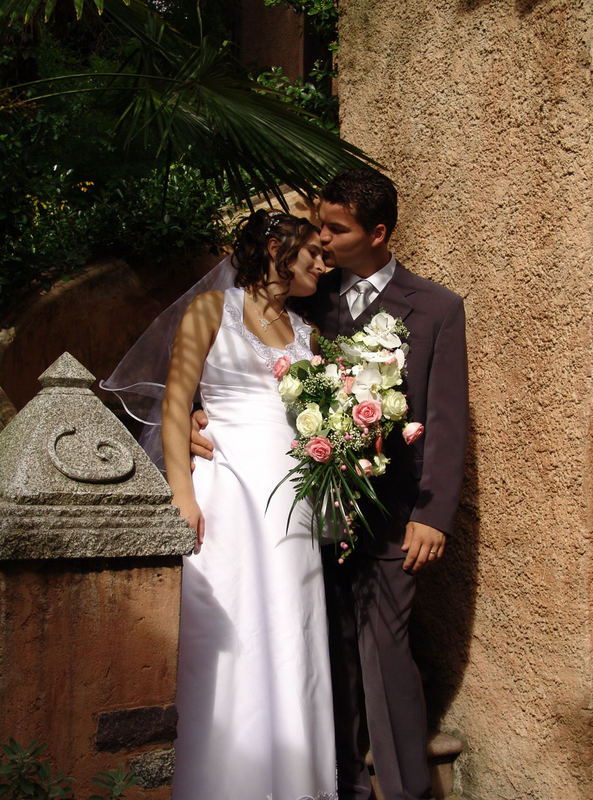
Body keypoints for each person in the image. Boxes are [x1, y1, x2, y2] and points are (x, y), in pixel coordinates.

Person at [191, 168, 468, 800]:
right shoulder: (308, 296)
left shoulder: (436, 309)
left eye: (334, 229)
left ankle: (405, 792)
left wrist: (434, 513)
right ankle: (342, 786)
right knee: (328, 654)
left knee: (386, 653)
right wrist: (188, 414)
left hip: (393, 516)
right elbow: (228, 351)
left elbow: (447, 418)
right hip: (307, 513)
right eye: (318, 223)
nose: (320, 238)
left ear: (377, 233)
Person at [145, 210, 336, 800]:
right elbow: (178, 405)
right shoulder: (211, 311)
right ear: (278, 249)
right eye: (313, 254)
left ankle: (292, 780)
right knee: (230, 630)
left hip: (294, 506)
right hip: (227, 492)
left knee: (291, 630)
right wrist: (182, 495)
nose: (323, 264)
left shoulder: (310, 334)